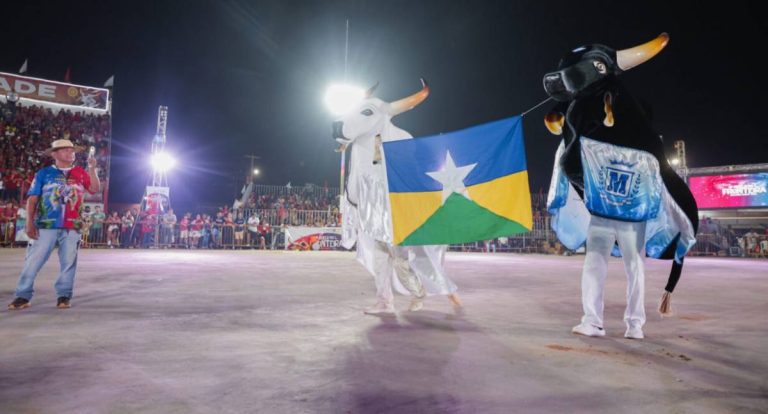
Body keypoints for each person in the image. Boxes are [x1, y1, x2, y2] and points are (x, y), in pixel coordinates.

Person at [8, 139, 100, 310]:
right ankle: (22, 295)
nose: (71, 153)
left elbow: (94, 189)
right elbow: (33, 199)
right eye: (65, 150)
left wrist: (92, 169)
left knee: (69, 262)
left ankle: (64, 296)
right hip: (46, 225)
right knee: (33, 261)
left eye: (72, 150)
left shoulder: (81, 172)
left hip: (73, 225)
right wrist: (29, 223)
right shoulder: (43, 173)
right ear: (54, 154)